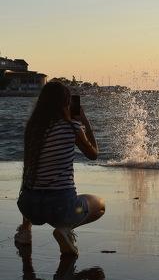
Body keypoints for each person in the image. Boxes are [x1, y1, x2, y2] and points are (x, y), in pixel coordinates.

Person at [14, 81, 105, 255]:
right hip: (59, 209)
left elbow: (28, 172)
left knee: (32, 176)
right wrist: (84, 121)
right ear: (66, 103)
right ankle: (65, 229)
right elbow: (94, 154)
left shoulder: (32, 129)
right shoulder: (72, 127)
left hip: (29, 207)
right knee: (99, 204)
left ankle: (25, 232)